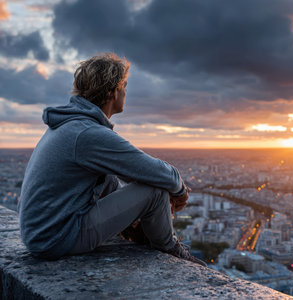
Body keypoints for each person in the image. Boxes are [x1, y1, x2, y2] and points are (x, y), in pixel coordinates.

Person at [18, 53, 206, 267]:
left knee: (108, 179)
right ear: (113, 91)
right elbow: (158, 173)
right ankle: (171, 252)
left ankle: (140, 233)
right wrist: (180, 191)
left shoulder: (71, 126)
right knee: (155, 190)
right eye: (124, 85)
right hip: (57, 239)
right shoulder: (87, 133)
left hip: (44, 235)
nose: (126, 92)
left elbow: (117, 180)